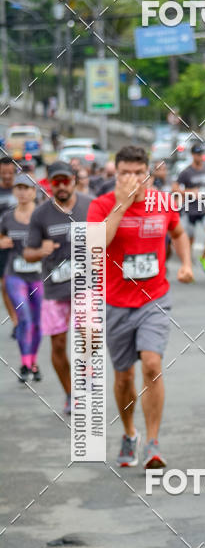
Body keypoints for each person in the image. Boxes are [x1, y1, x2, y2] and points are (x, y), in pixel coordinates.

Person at [87, 145, 194, 470]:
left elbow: (179, 233)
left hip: (154, 298)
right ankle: (129, 433)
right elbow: (95, 244)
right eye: (125, 173)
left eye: (138, 173)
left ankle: (153, 443)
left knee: (151, 364)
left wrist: (186, 264)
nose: (132, 179)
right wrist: (121, 205)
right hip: (115, 302)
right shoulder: (101, 205)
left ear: (148, 173)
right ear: (115, 174)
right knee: (123, 378)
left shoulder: (163, 203)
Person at [23, 161, 92, 414]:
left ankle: (85, 379)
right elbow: (28, 253)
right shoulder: (40, 214)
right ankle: (71, 393)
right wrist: (40, 251)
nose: (61, 186)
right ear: (49, 184)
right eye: (56, 182)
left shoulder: (90, 205)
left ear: (74, 180)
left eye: (66, 181)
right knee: (59, 344)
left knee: (87, 337)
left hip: (86, 285)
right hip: (54, 288)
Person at [0, 173, 43, 382]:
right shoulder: (7, 217)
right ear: (15, 191)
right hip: (15, 275)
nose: (23, 192)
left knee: (37, 323)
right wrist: (2, 241)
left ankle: (33, 362)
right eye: (19, 188)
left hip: (39, 276)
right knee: (24, 318)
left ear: (34, 191)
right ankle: (25, 363)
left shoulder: (42, 216)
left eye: (27, 188)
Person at [174, 142, 205, 270]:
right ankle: (188, 264)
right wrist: (189, 192)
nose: (199, 156)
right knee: (189, 239)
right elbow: (175, 188)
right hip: (190, 210)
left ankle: (204, 257)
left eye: (200, 153)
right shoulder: (186, 172)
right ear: (192, 155)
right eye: (196, 154)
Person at [0, 157, 18, 335]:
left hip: (24, 244)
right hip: (3, 245)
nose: (6, 176)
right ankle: (15, 321)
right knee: (5, 285)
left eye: (10, 172)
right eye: (3, 172)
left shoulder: (23, 189)